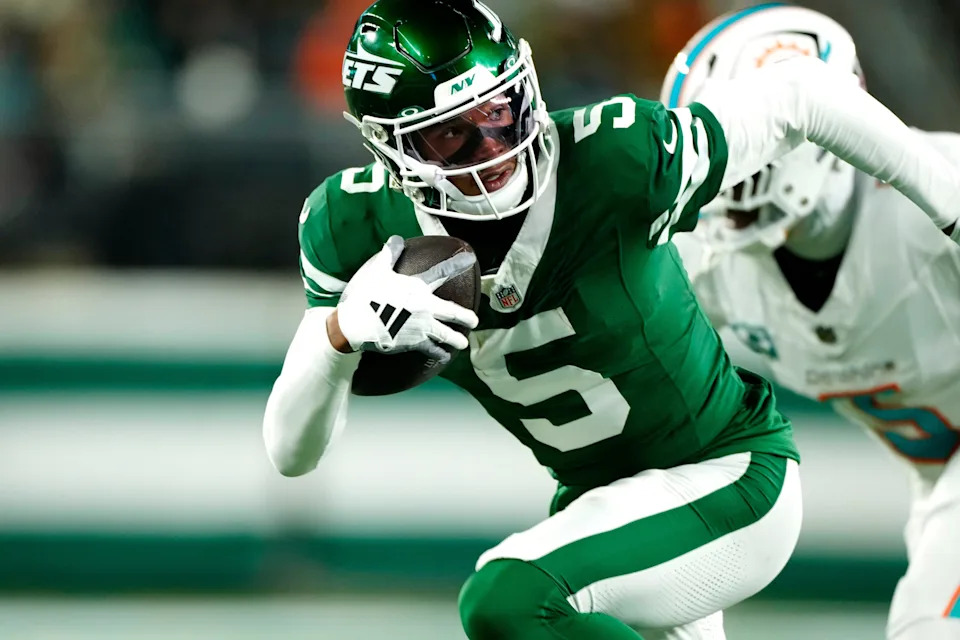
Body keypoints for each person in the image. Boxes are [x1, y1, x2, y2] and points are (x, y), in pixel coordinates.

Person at [263, 1, 960, 638]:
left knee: (509, 598)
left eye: (501, 111)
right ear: (386, 146)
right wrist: (337, 337)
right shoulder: (353, 228)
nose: (493, 150)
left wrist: (950, 207)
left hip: (728, 477)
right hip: (617, 504)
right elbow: (290, 453)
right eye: (452, 136)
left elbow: (805, 95)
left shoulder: (617, 160)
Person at [664, 5, 960, 640]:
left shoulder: (937, 195)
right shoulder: (712, 265)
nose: (729, 182)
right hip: (938, 484)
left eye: (753, 153)